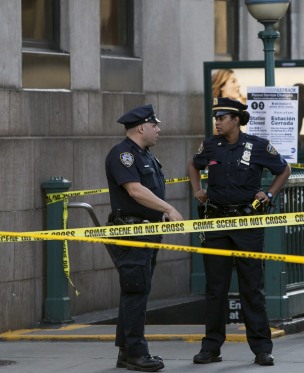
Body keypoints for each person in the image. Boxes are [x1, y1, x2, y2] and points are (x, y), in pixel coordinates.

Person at [188, 97, 291, 366]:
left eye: (222, 118)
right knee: (216, 288)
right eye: (216, 118)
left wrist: (269, 193)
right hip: (217, 223)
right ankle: (211, 347)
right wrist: (196, 188)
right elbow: (193, 165)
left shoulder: (257, 145)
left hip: (247, 222)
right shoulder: (210, 145)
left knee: (251, 287)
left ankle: (261, 349)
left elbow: (284, 169)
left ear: (235, 120)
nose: (217, 122)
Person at [105, 104, 184, 371]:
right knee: (135, 290)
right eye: (154, 125)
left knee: (136, 290)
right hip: (132, 233)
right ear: (141, 127)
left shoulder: (146, 155)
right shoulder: (123, 155)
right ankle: (137, 353)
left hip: (148, 231)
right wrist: (168, 208)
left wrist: (158, 215)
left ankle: (127, 351)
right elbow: (135, 191)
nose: (158, 130)